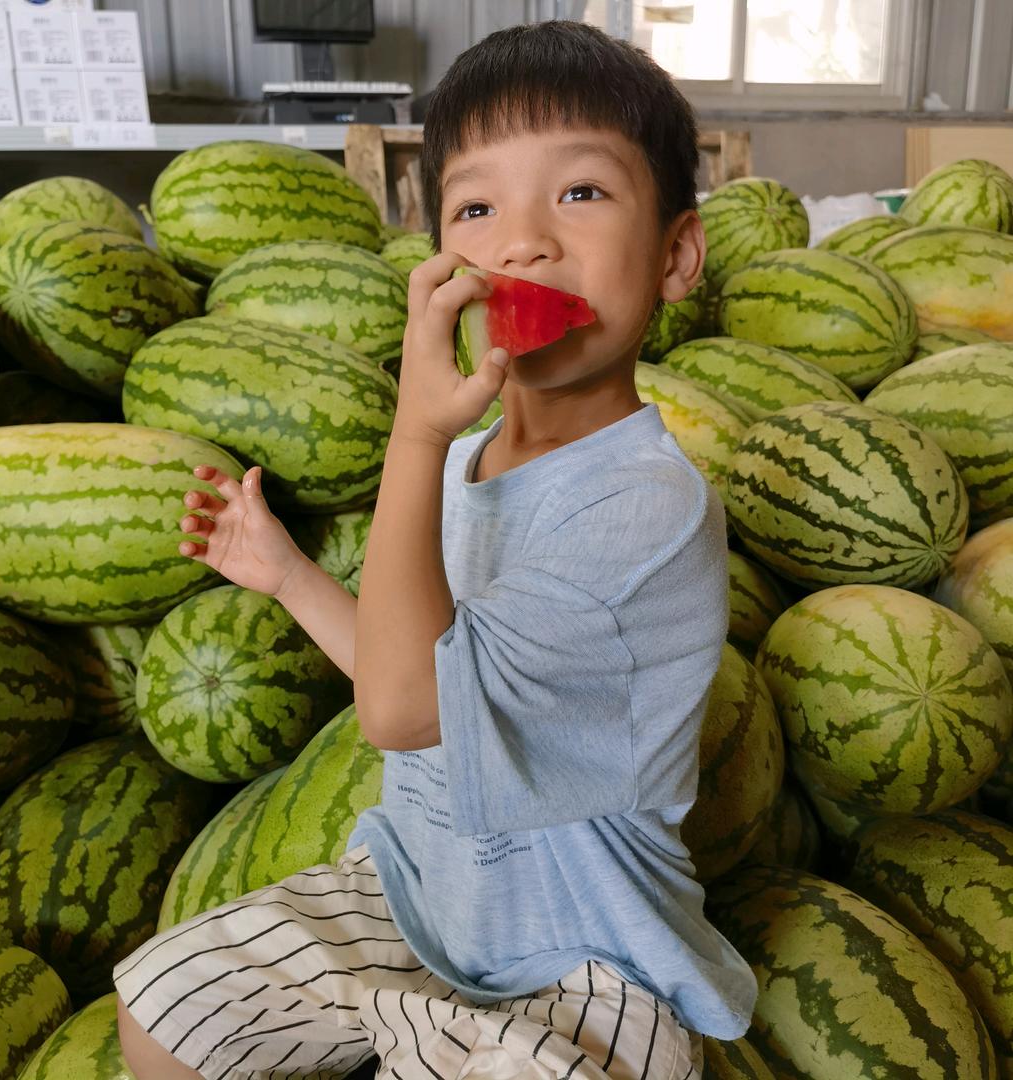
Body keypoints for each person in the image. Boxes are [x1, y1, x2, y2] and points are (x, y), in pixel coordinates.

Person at [114, 18, 757, 1080]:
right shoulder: (461, 468)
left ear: (677, 256)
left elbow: (401, 708)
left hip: (584, 956)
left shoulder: (650, 506)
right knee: (164, 1012)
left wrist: (410, 433)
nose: (525, 241)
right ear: (444, 260)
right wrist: (288, 575)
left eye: (581, 194)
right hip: (415, 891)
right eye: (477, 207)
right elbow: (421, 684)